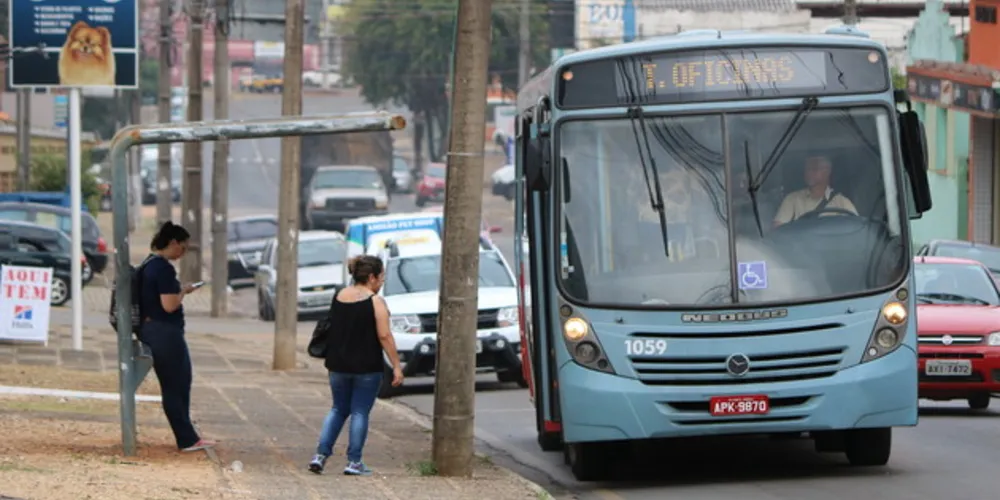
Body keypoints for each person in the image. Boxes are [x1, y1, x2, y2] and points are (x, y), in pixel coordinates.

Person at [309, 255, 404, 476]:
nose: (381, 283)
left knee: (337, 409)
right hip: (366, 367)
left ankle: (320, 456)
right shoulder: (376, 302)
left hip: (338, 366)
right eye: (380, 278)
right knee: (360, 412)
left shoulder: (340, 296)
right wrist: (396, 365)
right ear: (371, 277)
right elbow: (384, 335)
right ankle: (354, 461)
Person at [140, 221, 215, 452]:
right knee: (177, 384)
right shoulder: (163, 268)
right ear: (172, 243)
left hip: (153, 330)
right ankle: (186, 438)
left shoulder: (148, 264)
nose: (183, 253)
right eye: (182, 247)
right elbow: (169, 304)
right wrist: (183, 290)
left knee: (176, 383)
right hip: (165, 333)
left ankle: (188, 435)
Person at [773, 156, 858, 227]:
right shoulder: (792, 199)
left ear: (827, 171)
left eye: (814, 168)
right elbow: (778, 230)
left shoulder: (841, 202)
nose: (809, 172)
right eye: (807, 169)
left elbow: (856, 228)